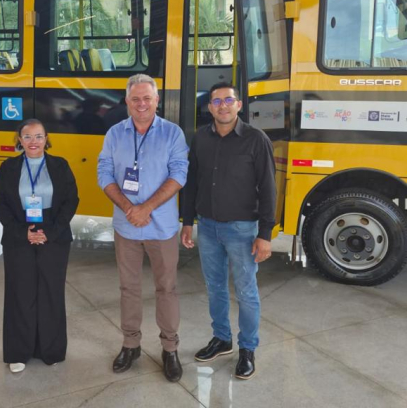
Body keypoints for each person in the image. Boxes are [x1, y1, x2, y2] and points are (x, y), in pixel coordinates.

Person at [180, 82, 276, 380]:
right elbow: (192, 182)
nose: (223, 105)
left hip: (242, 230)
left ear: (239, 105)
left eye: (228, 100)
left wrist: (265, 234)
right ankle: (222, 338)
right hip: (208, 227)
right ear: (210, 107)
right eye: (217, 101)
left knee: (246, 292)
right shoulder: (200, 138)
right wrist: (187, 221)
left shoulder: (256, 139)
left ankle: (247, 348)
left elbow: (269, 188)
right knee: (215, 287)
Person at [97, 73, 189, 383]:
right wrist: (129, 209)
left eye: (147, 98)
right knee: (129, 288)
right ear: (126, 101)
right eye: (135, 99)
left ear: (157, 101)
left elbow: (179, 174)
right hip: (126, 227)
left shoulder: (172, 133)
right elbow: (104, 173)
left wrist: (145, 208)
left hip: (161, 228)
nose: (141, 104)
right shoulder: (114, 134)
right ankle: (130, 344)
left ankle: (170, 348)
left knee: (167, 288)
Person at [0, 119, 79, 373]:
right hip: (19, 234)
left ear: (46, 139)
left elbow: (71, 201)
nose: (33, 142)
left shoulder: (60, 165)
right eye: (27, 136)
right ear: (19, 139)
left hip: (55, 234)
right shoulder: (8, 167)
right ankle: (19, 352)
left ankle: (50, 350)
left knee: (51, 292)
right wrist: (23, 232)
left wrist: (49, 232)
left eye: (39, 136)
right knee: (20, 293)